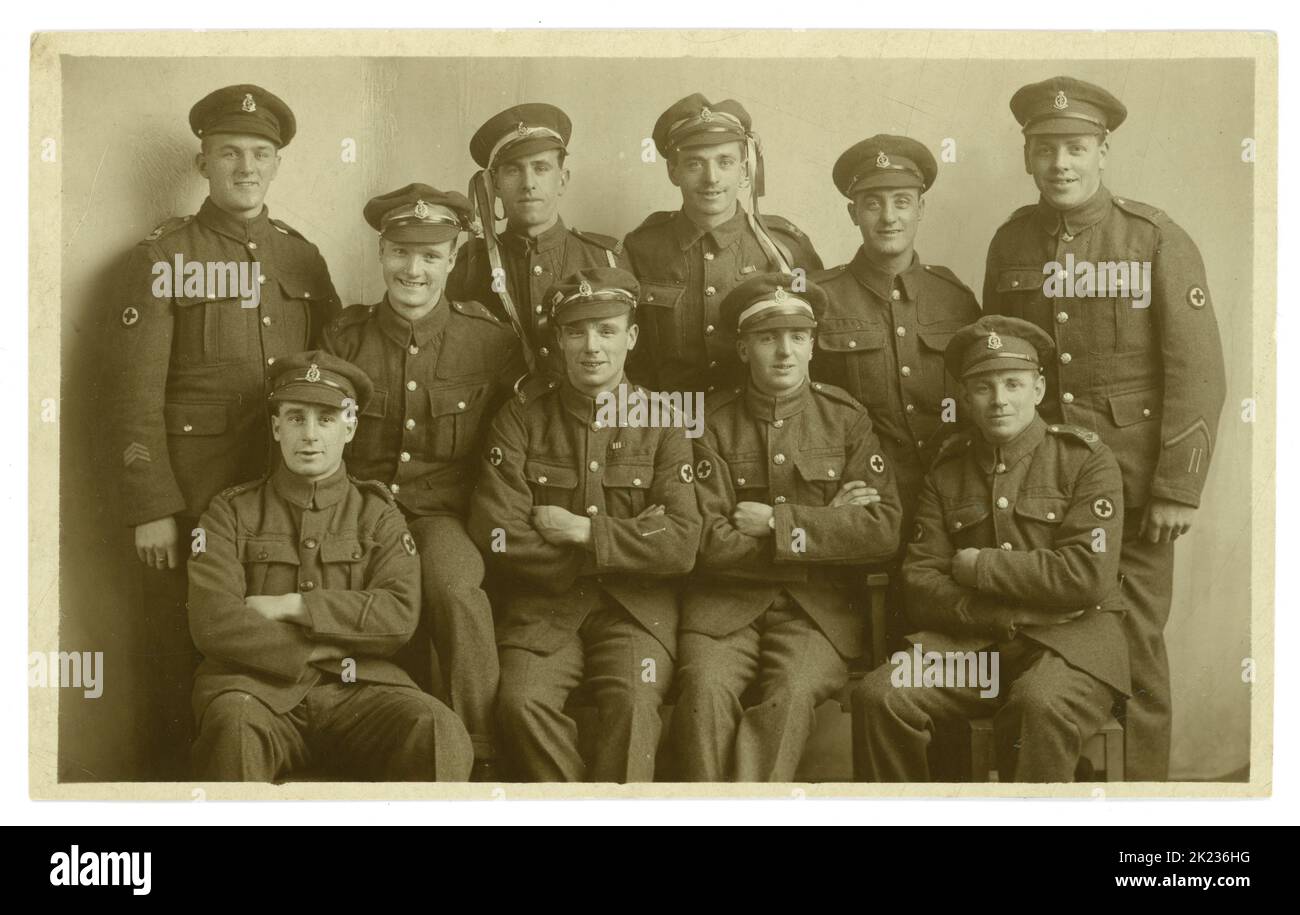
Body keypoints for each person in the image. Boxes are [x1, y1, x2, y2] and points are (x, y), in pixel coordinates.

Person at [981, 76, 1226, 780]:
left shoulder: (1152, 238)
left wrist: (1178, 486)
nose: (1061, 163)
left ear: (1103, 150)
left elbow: (1199, 373)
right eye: (1046, 148)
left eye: (1076, 147)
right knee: (1040, 642)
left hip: (1137, 489)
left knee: (1137, 645)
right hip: (1040, 490)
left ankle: (1144, 805)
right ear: (1028, 155)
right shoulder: (1011, 242)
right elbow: (1002, 360)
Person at [109, 84, 341, 778]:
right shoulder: (162, 255)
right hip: (195, 497)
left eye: (261, 154)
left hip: (284, 495)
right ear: (202, 161)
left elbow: (327, 379)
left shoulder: (302, 258)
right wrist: (152, 506)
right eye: (230, 153)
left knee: (275, 641)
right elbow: (132, 396)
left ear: (276, 164)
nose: (247, 167)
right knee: (177, 646)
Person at [853, 316, 1129, 782]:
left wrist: (981, 565)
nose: (999, 400)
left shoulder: (1087, 459)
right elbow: (920, 585)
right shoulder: (948, 470)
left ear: (1038, 389)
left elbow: (1086, 576)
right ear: (965, 397)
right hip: (978, 652)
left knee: (1038, 703)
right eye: (983, 387)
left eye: (1013, 384)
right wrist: (1010, 616)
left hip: (1071, 649)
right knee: (879, 695)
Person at [188, 351, 472, 782]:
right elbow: (214, 621)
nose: (310, 435)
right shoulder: (231, 511)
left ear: (350, 426)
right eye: (296, 418)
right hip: (257, 692)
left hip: (361, 689)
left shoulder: (378, 514)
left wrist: (291, 606)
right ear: (276, 426)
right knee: (234, 726)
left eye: (326, 418)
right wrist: (321, 647)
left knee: (437, 729)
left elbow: (397, 617)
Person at [322, 183, 524, 779]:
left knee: (457, 590)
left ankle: (480, 756)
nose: (414, 270)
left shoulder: (489, 342)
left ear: (454, 257)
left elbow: (504, 447)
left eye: (431, 256)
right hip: (355, 512)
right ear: (381, 253)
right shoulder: (345, 338)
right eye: (401, 253)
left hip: (442, 515)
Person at [468, 267, 702, 781]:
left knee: (637, 701)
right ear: (558, 339)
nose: (591, 346)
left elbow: (682, 543)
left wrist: (581, 532)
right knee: (521, 703)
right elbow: (497, 532)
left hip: (635, 612)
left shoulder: (664, 420)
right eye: (576, 331)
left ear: (632, 337)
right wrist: (630, 539)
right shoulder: (522, 417)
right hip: (543, 612)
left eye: (607, 329)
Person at [671, 273, 902, 781]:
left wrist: (776, 523)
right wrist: (831, 526)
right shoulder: (708, 422)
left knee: (792, 693)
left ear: (813, 345)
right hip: (722, 612)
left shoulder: (846, 419)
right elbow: (709, 543)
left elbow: (882, 530)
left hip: (817, 615)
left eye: (797, 338)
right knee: (705, 691)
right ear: (742, 347)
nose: (784, 352)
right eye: (767, 338)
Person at [624, 93, 822, 395]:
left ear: (744, 170)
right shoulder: (642, 249)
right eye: (694, 164)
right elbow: (625, 352)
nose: (711, 178)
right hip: (668, 422)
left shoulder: (785, 248)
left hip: (754, 427)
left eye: (725, 162)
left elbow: (813, 344)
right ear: (673, 171)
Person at [448, 102, 628, 374]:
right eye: (513, 170)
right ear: (495, 184)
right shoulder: (470, 266)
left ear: (563, 180)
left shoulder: (607, 260)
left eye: (541, 168)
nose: (528, 183)